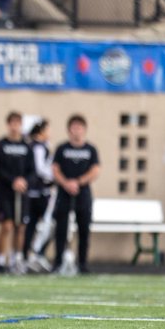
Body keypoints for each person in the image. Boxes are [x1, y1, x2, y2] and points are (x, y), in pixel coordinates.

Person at [51, 114, 100, 275]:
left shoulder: (90, 149)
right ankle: (58, 262)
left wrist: (78, 182)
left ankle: (83, 263)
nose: (76, 131)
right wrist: (66, 183)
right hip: (64, 193)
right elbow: (55, 169)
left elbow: (95, 170)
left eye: (79, 127)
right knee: (61, 229)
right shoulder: (62, 148)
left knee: (84, 229)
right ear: (68, 130)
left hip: (83, 193)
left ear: (84, 130)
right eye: (73, 127)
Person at [0, 112, 35, 275]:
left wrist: (24, 181)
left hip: (22, 192)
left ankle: (17, 258)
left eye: (18, 123)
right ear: (8, 124)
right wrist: (13, 181)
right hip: (5, 192)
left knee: (21, 226)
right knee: (7, 225)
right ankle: (1, 260)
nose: (15, 126)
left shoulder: (27, 146)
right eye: (12, 123)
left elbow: (33, 170)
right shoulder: (0, 145)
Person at [22, 119, 55, 272]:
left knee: (45, 224)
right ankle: (32, 253)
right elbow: (40, 169)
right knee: (36, 224)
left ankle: (34, 252)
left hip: (41, 191)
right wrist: (55, 177)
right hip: (38, 192)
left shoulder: (43, 146)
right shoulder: (37, 147)